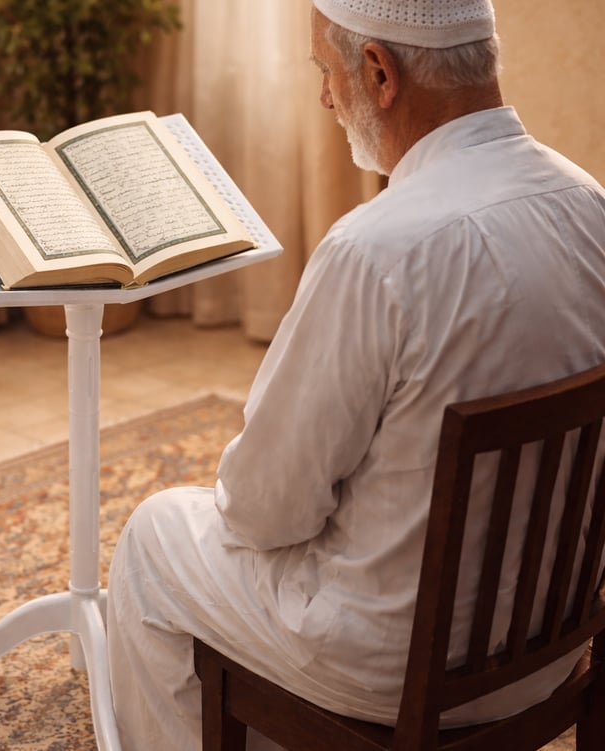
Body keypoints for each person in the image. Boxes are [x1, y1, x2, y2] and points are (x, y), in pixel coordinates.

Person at [106, 1, 605, 749]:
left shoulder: (375, 251)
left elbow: (263, 510)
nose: (323, 96)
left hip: (394, 666)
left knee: (155, 535)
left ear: (379, 73)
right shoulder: (590, 204)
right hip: (553, 645)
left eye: (325, 71)